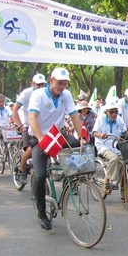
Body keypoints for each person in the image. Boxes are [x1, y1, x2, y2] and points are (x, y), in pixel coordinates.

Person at [28, 67, 84, 230]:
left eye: (65, 84)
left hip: (57, 135)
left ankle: (71, 181)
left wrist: (82, 137)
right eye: (59, 83)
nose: (62, 87)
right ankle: (41, 212)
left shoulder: (66, 95)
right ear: (51, 80)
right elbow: (32, 117)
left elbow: (74, 116)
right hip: (41, 137)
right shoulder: (37, 95)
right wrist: (41, 139)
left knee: (78, 146)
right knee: (40, 174)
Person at [11, 73, 47, 184]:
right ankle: (22, 169)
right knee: (30, 150)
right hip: (27, 125)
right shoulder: (27, 93)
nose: (40, 87)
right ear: (33, 84)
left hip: (41, 126)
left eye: (42, 84)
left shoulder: (46, 93)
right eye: (38, 85)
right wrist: (20, 125)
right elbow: (15, 109)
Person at [93, 100, 128, 198]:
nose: (114, 114)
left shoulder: (119, 119)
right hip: (103, 146)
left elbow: (124, 133)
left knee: (125, 164)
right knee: (114, 158)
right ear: (106, 112)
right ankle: (107, 181)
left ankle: (125, 194)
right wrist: (101, 134)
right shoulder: (100, 119)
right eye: (111, 112)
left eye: (116, 112)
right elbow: (94, 133)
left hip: (115, 146)